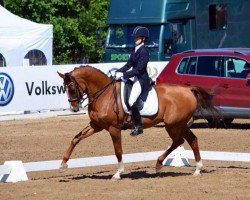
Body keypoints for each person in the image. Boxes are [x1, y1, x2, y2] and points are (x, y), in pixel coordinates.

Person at [115, 26, 151, 136]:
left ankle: (138, 126)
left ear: (143, 38)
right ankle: (127, 119)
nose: (135, 38)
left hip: (141, 79)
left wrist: (124, 75)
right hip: (134, 77)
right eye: (135, 37)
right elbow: (128, 65)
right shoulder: (134, 50)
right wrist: (118, 72)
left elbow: (138, 69)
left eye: (138, 37)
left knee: (131, 101)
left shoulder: (144, 52)